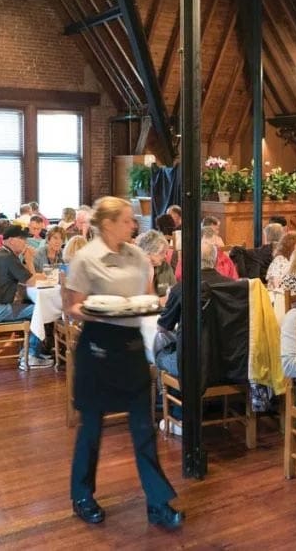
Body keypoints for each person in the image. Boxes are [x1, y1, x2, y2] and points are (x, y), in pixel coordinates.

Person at [64, 196, 182, 529]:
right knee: (92, 429)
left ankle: (158, 501)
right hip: (97, 349)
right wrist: (102, 309)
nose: (134, 225)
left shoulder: (138, 256)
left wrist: (147, 304)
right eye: (128, 220)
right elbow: (71, 307)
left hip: (130, 347)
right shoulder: (86, 259)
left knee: (144, 428)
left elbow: (144, 298)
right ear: (108, 223)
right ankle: (82, 496)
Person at [154, 241, 232, 378]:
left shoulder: (182, 288)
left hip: (193, 364)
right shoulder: (234, 287)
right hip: (230, 361)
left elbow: (162, 328)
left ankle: (168, 396)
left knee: (159, 354)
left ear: (192, 261)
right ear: (215, 261)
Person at [0, 225, 49, 368]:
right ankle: (30, 356)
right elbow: (31, 280)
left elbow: (25, 280)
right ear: (11, 240)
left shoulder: (0, 254)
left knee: (29, 304)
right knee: (39, 310)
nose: (26, 242)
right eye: (22, 239)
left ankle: (28, 350)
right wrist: (29, 259)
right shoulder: (7, 257)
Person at [137, 230, 176, 298]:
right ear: (148, 252)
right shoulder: (136, 269)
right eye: (162, 252)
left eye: (166, 252)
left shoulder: (165, 267)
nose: (165, 256)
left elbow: (174, 293)